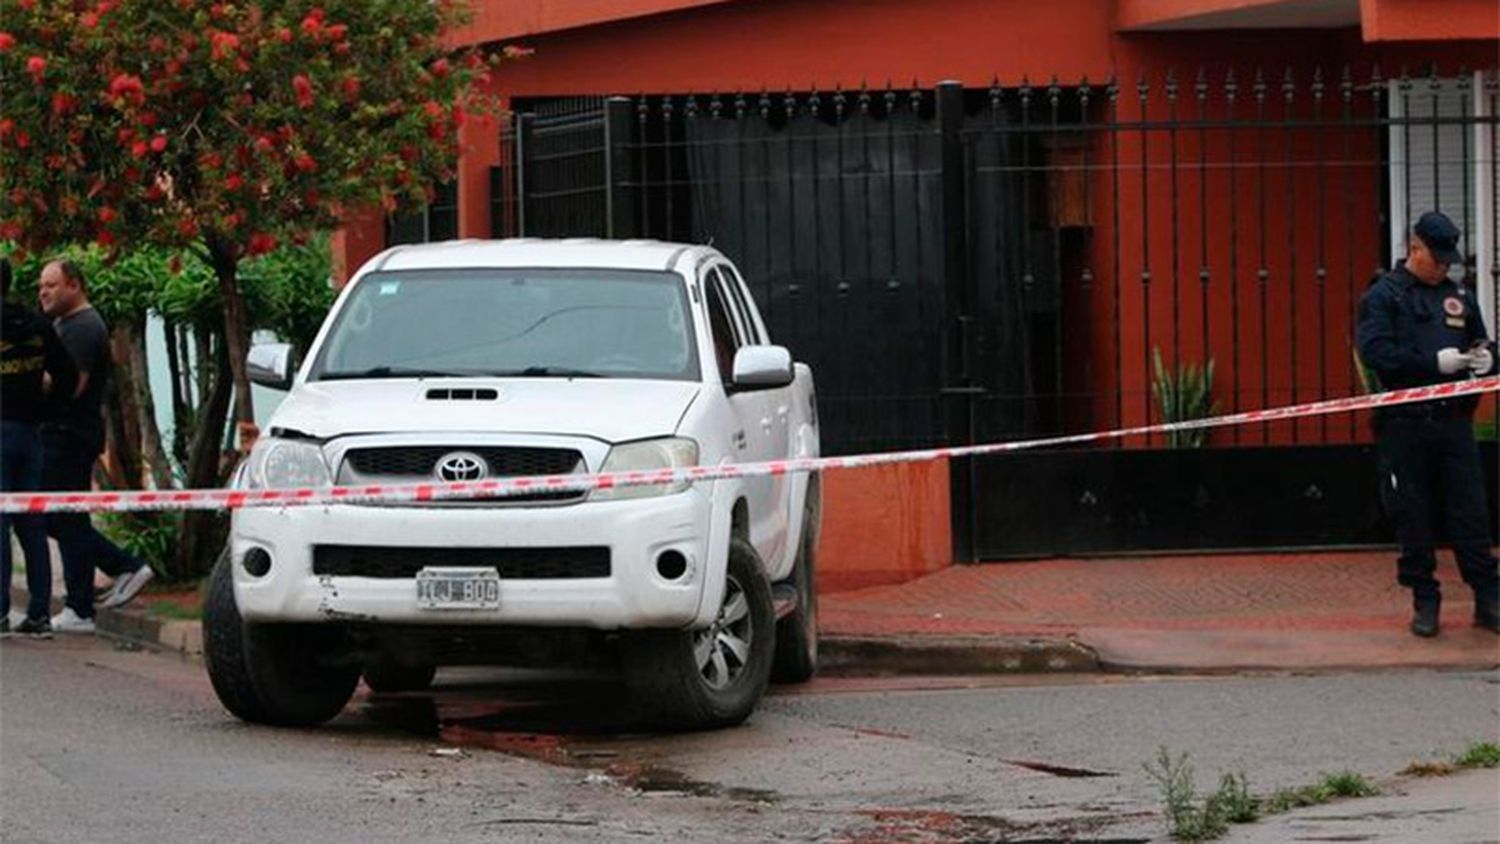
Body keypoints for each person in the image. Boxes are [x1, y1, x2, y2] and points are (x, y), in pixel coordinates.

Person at [1355, 211, 1499, 637]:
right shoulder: (1385, 297)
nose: (1443, 267)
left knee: (1471, 512)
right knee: (1412, 514)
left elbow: (1480, 339)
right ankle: (1425, 599)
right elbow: (1377, 353)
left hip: (1454, 423)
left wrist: (1486, 358)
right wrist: (1431, 365)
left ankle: (1488, 598)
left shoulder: (1459, 295)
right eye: (1436, 258)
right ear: (1413, 249)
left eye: (1447, 260)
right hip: (1405, 424)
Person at [36, 259, 154, 634]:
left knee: (59, 516)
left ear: (75, 285)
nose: (44, 292)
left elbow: (74, 385)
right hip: (62, 433)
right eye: (42, 285)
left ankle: (122, 569)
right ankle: (81, 604)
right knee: (63, 517)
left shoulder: (84, 328)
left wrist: (25, 382)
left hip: (69, 434)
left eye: (52, 284)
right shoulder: (66, 325)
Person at [1, 258, 78, 637]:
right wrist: (47, 410)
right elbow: (66, 373)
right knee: (30, 520)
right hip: (31, 433)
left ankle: (0, 611)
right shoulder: (37, 325)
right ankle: (39, 613)